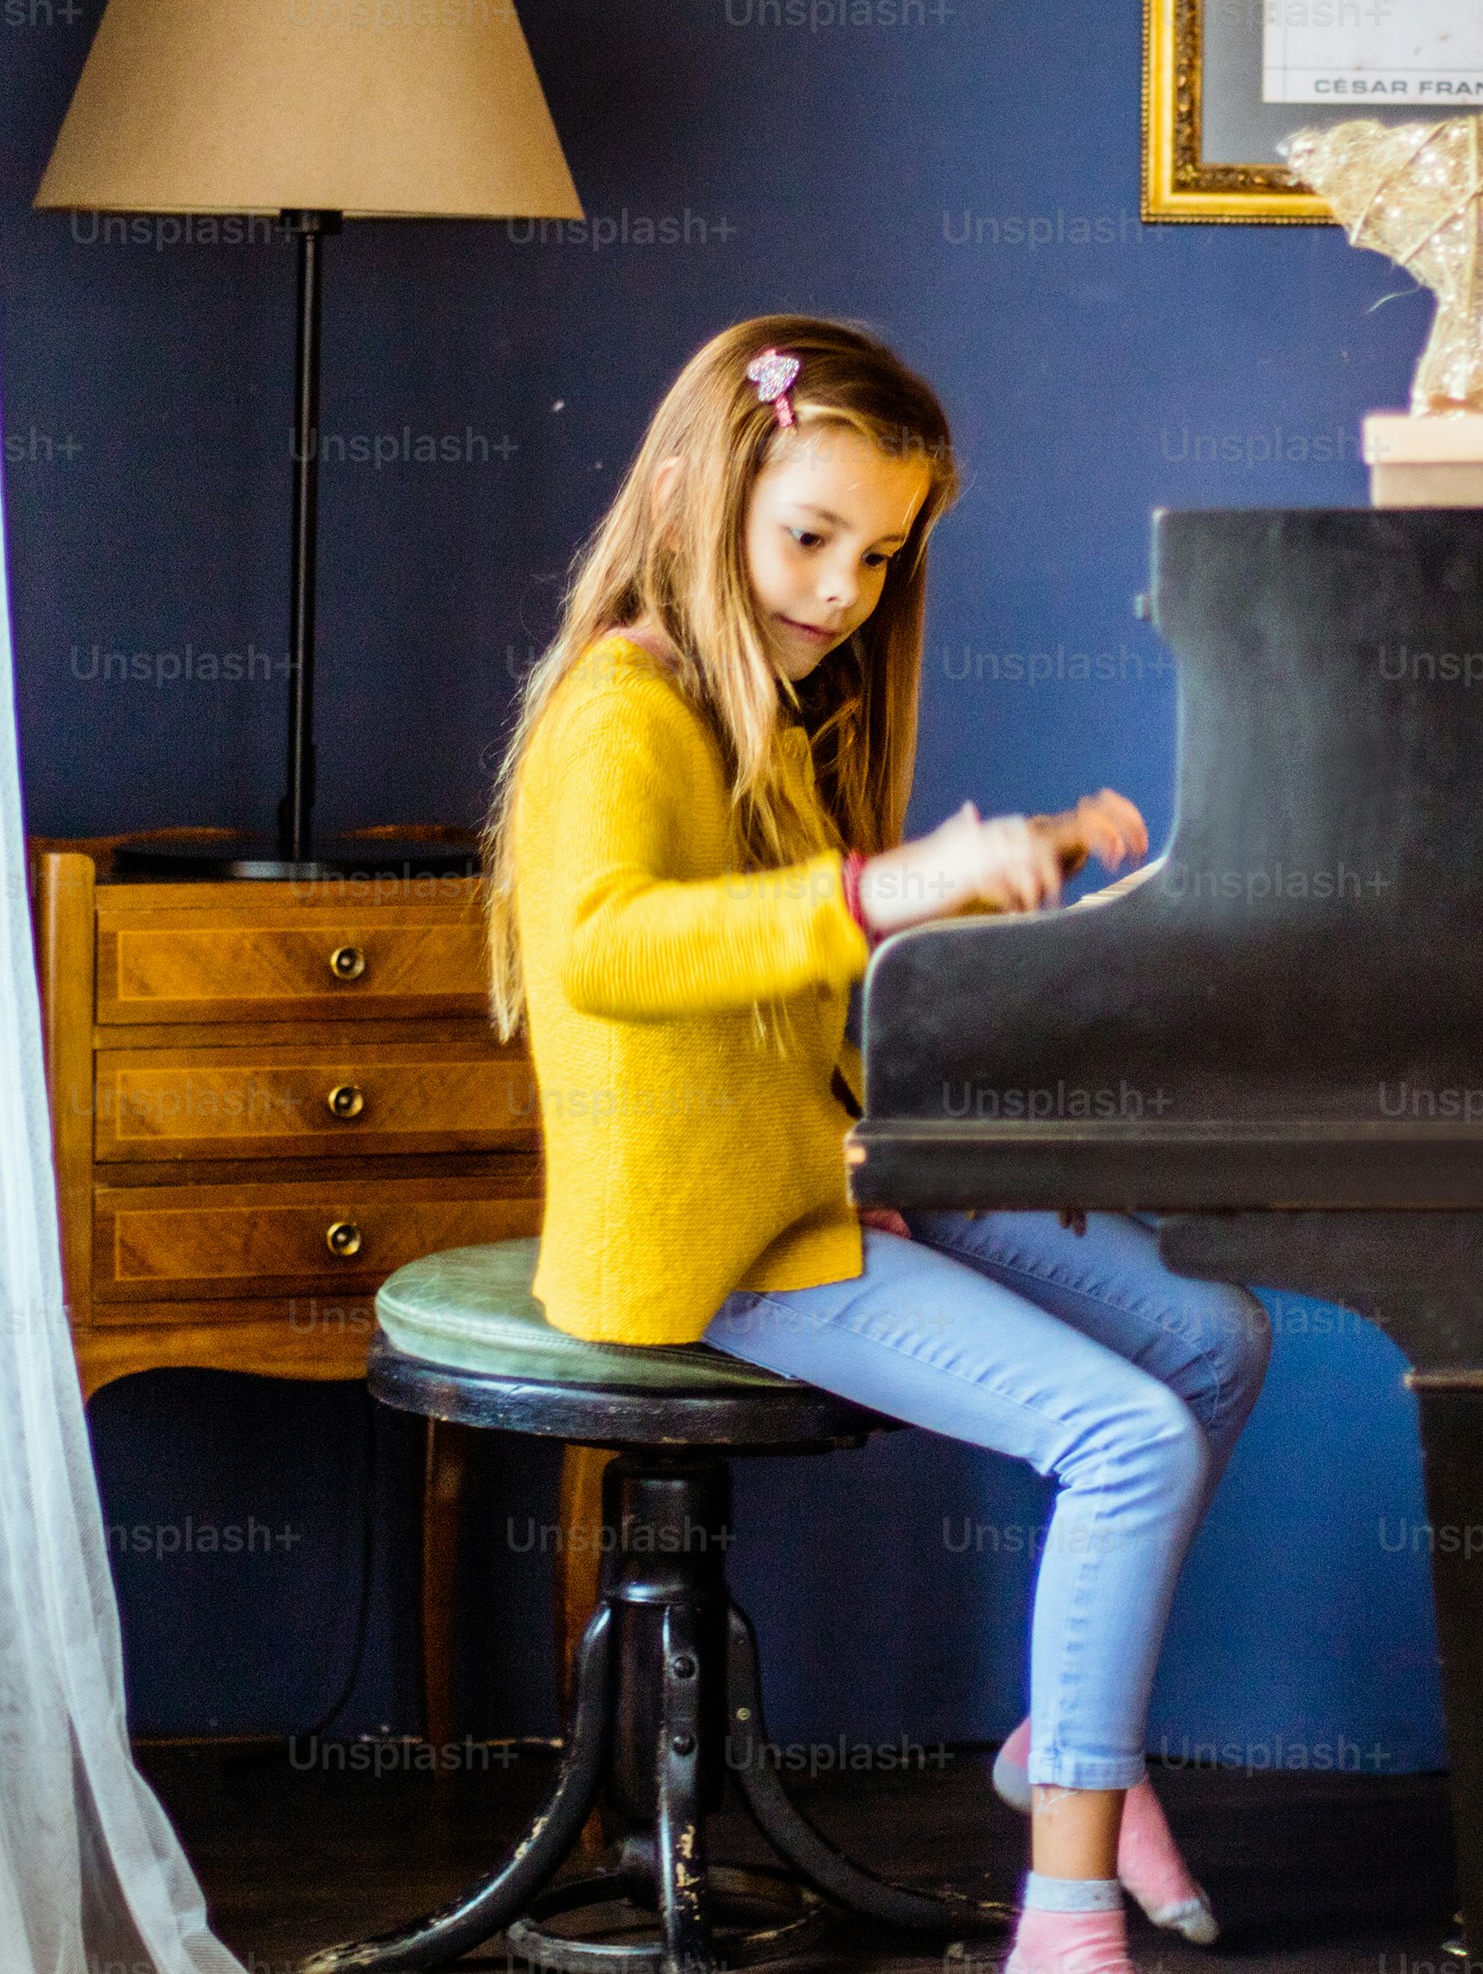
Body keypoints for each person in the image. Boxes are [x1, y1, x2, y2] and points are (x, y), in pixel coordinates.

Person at [487, 316, 1265, 1972]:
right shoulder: (621, 709)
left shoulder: (789, 704)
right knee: (1123, 1440)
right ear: (703, 487)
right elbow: (610, 951)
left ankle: (1073, 1745)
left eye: (879, 554)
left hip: (822, 1170)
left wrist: (1042, 911)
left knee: (1212, 1336)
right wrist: (885, 887)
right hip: (712, 1237)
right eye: (810, 537)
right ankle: (1065, 1891)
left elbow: (809, 1003)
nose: (841, 589)